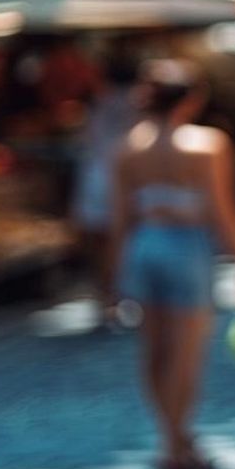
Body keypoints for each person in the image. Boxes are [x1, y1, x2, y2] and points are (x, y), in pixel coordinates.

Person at [110, 60, 235, 469]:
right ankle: (177, 440)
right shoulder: (205, 145)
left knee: (154, 350)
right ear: (190, 99)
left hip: (144, 244)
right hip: (187, 246)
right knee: (185, 354)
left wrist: (115, 275)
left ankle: (171, 437)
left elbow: (120, 219)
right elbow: (223, 211)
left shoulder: (129, 147)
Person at [72, 49, 140, 329]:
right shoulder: (138, 104)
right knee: (123, 241)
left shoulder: (97, 102)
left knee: (100, 242)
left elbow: (85, 137)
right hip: (123, 179)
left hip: (95, 176)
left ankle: (105, 297)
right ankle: (118, 296)